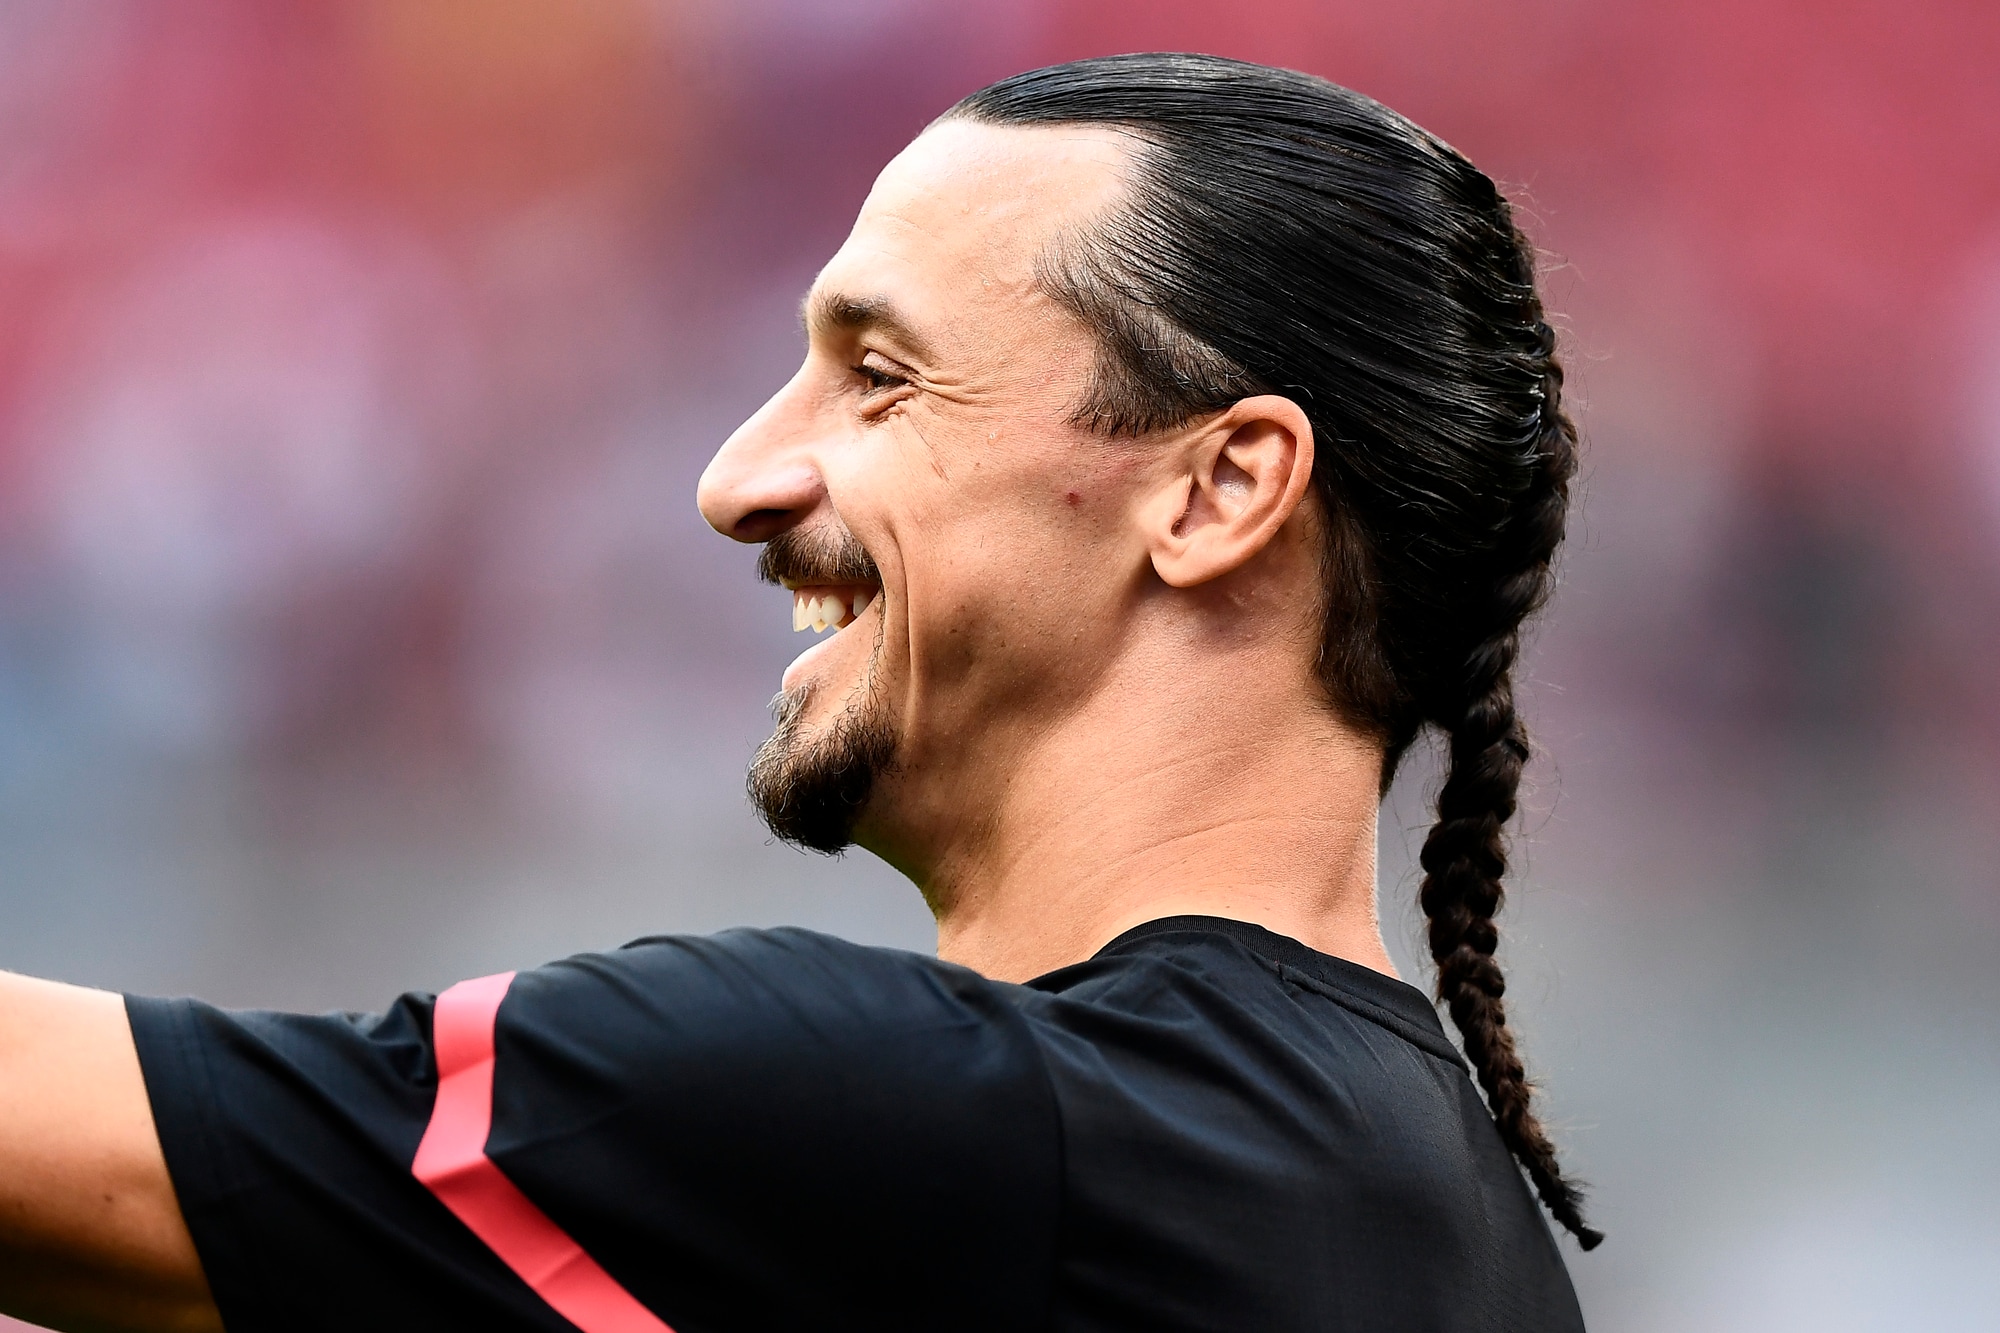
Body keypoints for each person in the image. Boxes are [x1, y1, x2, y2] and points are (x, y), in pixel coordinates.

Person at [0, 53, 1596, 1333]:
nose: (736, 478)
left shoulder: (921, 1122)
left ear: (1219, 488)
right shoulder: (1465, 1233)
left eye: (880, 377)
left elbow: (70, 1156)